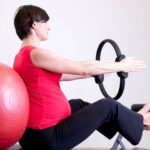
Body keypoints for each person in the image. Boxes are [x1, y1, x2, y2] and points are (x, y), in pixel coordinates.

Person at [13, 5, 150, 150]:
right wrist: (122, 66)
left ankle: (127, 123)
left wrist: (97, 72)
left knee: (77, 104)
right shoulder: (37, 54)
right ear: (34, 24)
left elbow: (65, 74)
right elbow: (83, 68)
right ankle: (140, 121)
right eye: (45, 22)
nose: (49, 27)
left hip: (31, 135)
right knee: (108, 105)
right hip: (47, 138)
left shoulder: (22, 57)